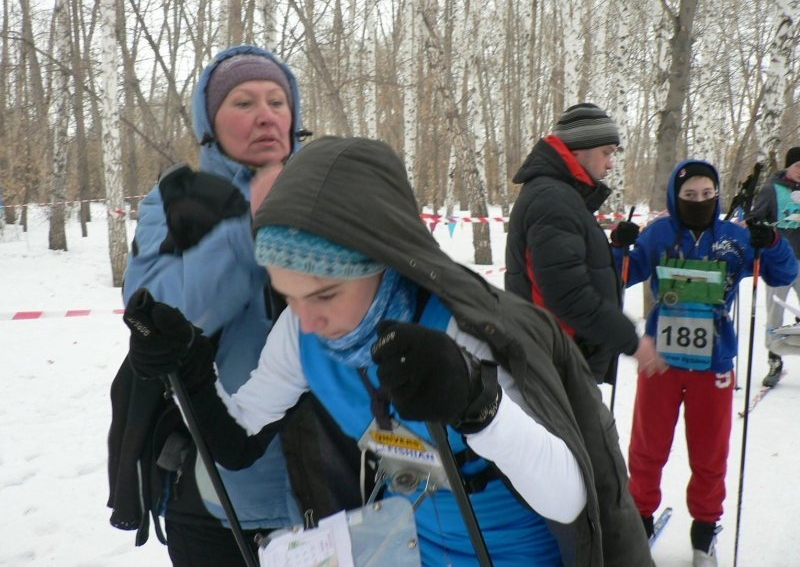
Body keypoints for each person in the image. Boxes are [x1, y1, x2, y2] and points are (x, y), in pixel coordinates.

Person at [122, 136, 654, 566]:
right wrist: (191, 366)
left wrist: (478, 404)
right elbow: (239, 438)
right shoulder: (302, 332)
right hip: (406, 548)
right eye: (289, 296)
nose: (308, 319)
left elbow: (570, 498)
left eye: (326, 294)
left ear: (381, 262)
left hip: (515, 553)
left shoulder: (463, 331)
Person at [108, 45, 362, 565]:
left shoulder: (331, 188)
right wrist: (248, 226)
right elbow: (162, 316)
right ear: (211, 122)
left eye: (277, 101)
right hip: (218, 488)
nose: (265, 115)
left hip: (339, 473)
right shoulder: (175, 200)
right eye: (243, 102)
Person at [615, 159, 797, 566]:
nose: (699, 201)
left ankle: (703, 531)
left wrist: (771, 243)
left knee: (710, 452)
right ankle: (639, 521)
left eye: (707, 194)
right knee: (647, 447)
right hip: (659, 362)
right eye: (689, 195)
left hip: (713, 363)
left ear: (716, 195)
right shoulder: (659, 234)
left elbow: (783, 272)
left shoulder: (734, 237)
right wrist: (618, 246)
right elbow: (620, 276)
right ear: (675, 197)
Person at [505, 102, 665, 387]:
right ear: (578, 150)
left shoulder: (561, 196)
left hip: (560, 360)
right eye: (606, 152)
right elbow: (568, 295)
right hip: (555, 364)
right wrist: (631, 341)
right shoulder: (552, 200)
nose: (610, 163)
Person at [747, 146, 800, 386]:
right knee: (774, 314)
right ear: (788, 166)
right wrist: (762, 228)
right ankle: (774, 359)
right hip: (778, 263)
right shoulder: (771, 189)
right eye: (798, 166)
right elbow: (755, 218)